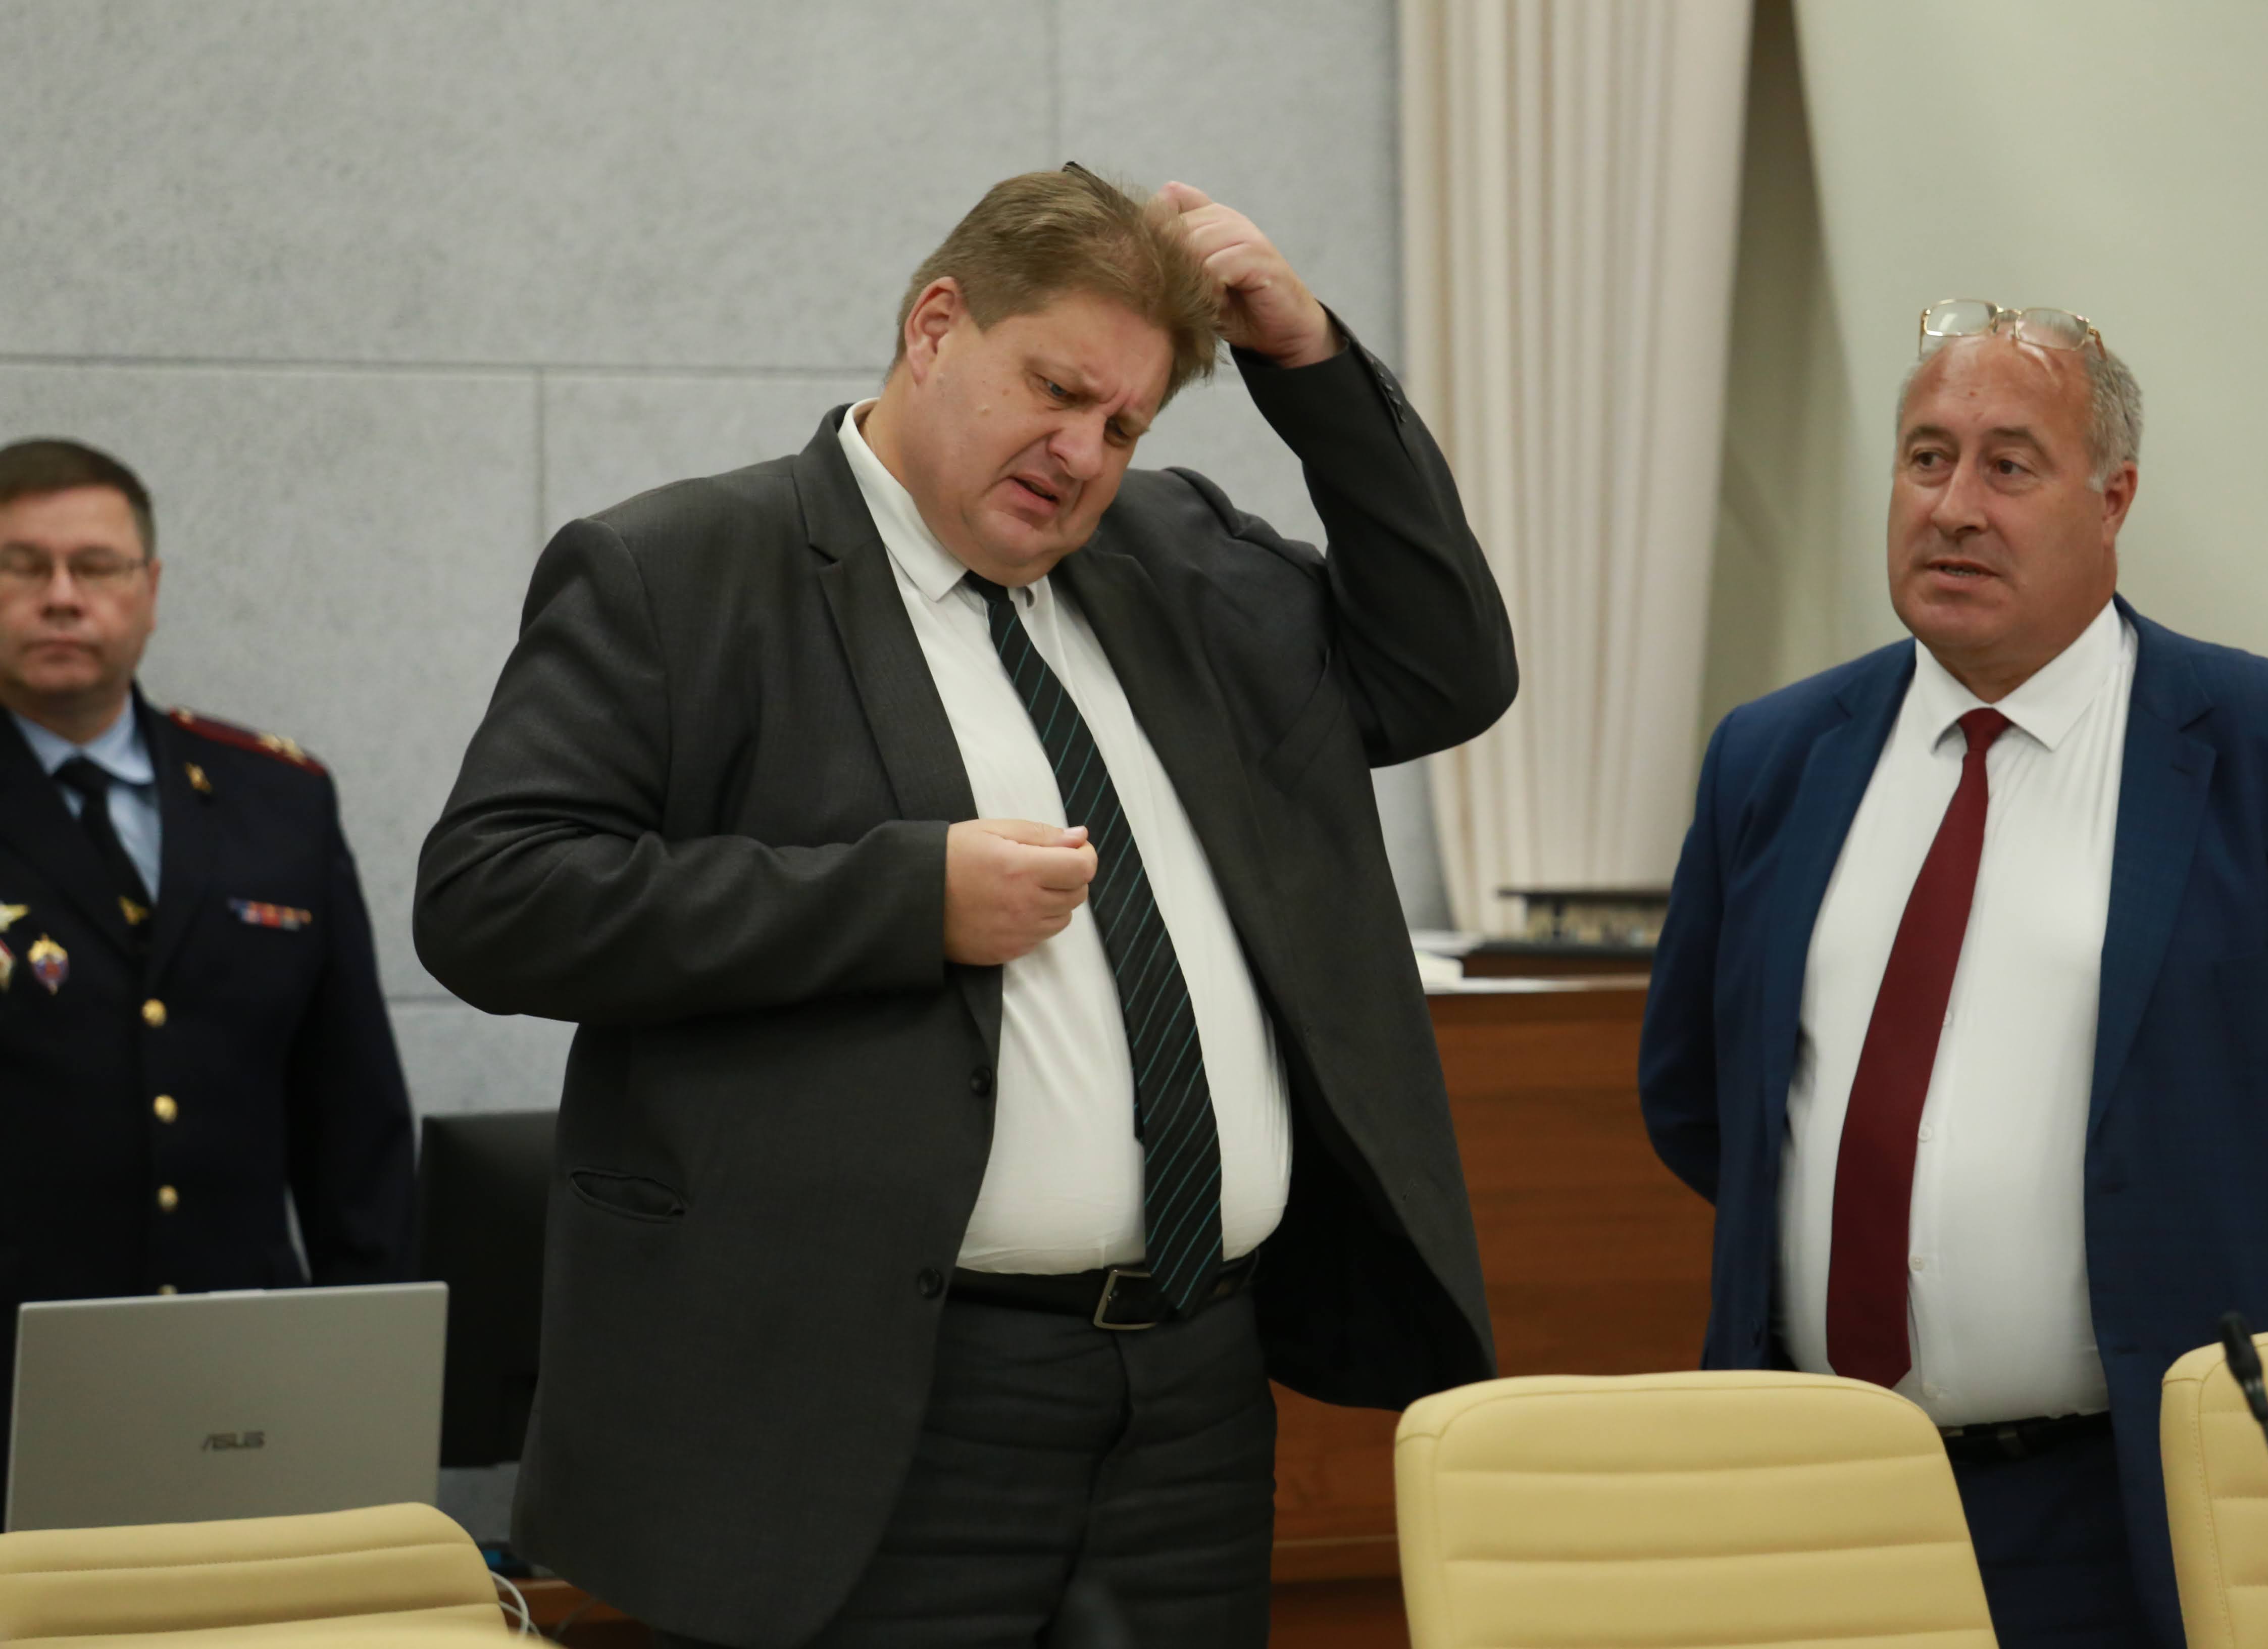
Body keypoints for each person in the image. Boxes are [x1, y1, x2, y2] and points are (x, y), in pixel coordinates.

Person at [415, 168, 1514, 1649]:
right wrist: (899, 896)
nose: (1081, 455)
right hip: (872, 1406)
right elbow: (492, 895)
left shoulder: (1176, 556)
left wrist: (1308, 361)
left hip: (1189, 1393)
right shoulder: (684, 570)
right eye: (1055, 390)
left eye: (1123, 425)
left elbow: (1443, 672)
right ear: (937, 325)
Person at [1637, 301, 2268, 1647]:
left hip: (2139, 1504)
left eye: (2009, 466)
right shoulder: (1772, 756)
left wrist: (2230, 1263)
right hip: (1816, 1491)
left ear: (2113, 499)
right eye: (1926, 458)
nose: (1954, 508)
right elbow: (1698, 1096)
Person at [0, 437, 417, 1471]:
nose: (62, 597)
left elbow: (353, 1127)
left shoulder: (277, 800)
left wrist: (373, 1395)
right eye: (21, 565)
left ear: (149, 591)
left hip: (242, 1386)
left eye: (96, 566)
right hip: (15, 1383)